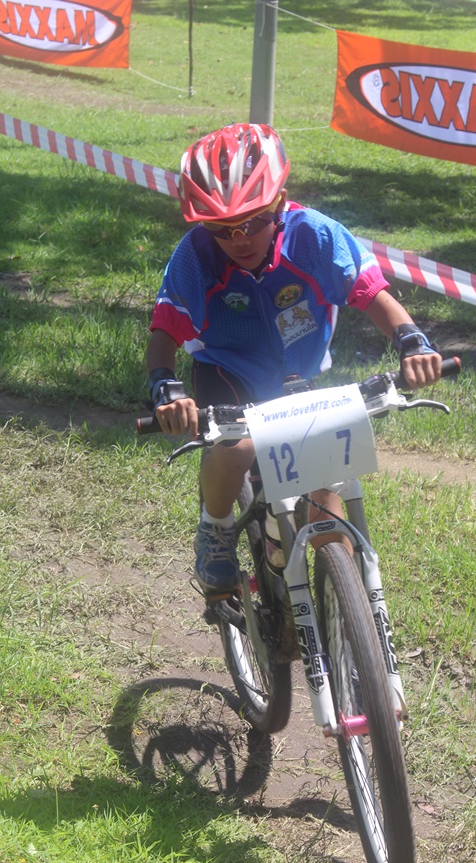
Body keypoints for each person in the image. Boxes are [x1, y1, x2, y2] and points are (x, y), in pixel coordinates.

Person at [146, 122, 442, 596]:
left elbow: (371, 293)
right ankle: (215, 527)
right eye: (222, 228)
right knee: (237, 448)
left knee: (326, 505)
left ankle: (341, 608)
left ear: (281, 202)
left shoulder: (315, 236)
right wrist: (166, 388)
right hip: (227, 369)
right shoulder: (196, 256)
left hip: (298, 373)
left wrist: (413, 341)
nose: (240, 238)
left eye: (254, 221)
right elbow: (163, 332)